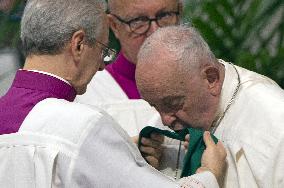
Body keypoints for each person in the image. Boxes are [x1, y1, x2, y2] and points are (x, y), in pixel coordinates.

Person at [0, 0, 227, 187]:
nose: (101, 66)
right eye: (102, 50)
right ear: (78, 44)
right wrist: (209, 172)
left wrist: (119, 153)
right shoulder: (80, 125)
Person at [136, 25, 284, 188]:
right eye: (154, 106)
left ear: (211, 78)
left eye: (173, 103)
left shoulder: (276, 123)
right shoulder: (161, 127)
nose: (164, 121)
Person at [75, 0, 183, 173]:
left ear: (180, 13)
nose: (155, 31)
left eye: (164, 16)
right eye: (138, 20)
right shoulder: (87, 95)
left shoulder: (207, 83)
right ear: (114, 26)